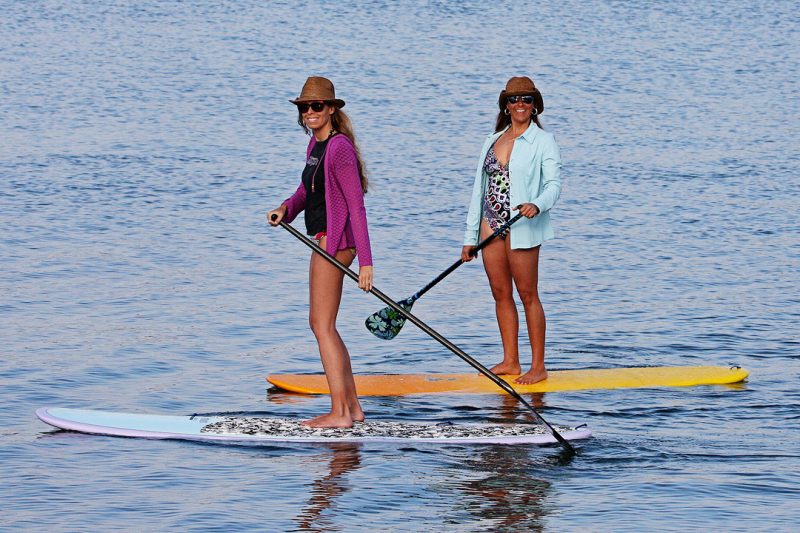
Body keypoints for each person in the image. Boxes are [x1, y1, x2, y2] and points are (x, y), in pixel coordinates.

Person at [267, 76, 373, 427]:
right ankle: (352, 409)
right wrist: (286, 208)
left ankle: (340, 413)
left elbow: (356, 206)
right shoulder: (316, 145)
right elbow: (305, 189)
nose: (310, 112)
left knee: (321, 324)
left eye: (316, 107)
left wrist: (368, 263)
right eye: (304, 108)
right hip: (326, 237)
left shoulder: (339, 147)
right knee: (326, 325)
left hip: (337, 240)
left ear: (331, 109)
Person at [461, 76, 562, 385]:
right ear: (505, 106)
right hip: (489, 227)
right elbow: (479, 190)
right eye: (514, 99)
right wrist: (469, 239)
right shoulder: (492, 140)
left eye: (527, 100)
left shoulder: (543, 141)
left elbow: (554, 185)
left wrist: (538, 204)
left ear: (534, 107)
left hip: (522, 226)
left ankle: (538, 366)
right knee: (500, 294)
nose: (520, 104)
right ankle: (510, 361)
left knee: (528, 294)